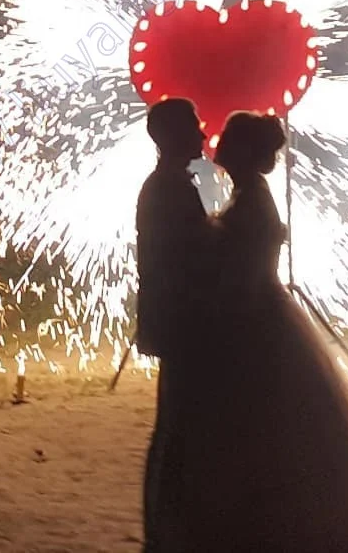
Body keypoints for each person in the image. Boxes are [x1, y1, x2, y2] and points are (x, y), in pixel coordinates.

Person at [173, 110, 348, 552]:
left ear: (243, 150)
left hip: (253, 321)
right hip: (264, 314)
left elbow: (238, 270)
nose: (217, 145)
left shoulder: (249, 202)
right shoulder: (249, 195)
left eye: (227, 140)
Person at [135, 98, 210, 553]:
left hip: (178, 316)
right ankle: (166, 529)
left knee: (178, 422)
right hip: (183, 318)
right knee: (176, 426)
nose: (203, 135)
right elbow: (180, 258)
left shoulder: (171, 184)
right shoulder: (168, 188)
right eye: (195, 128)